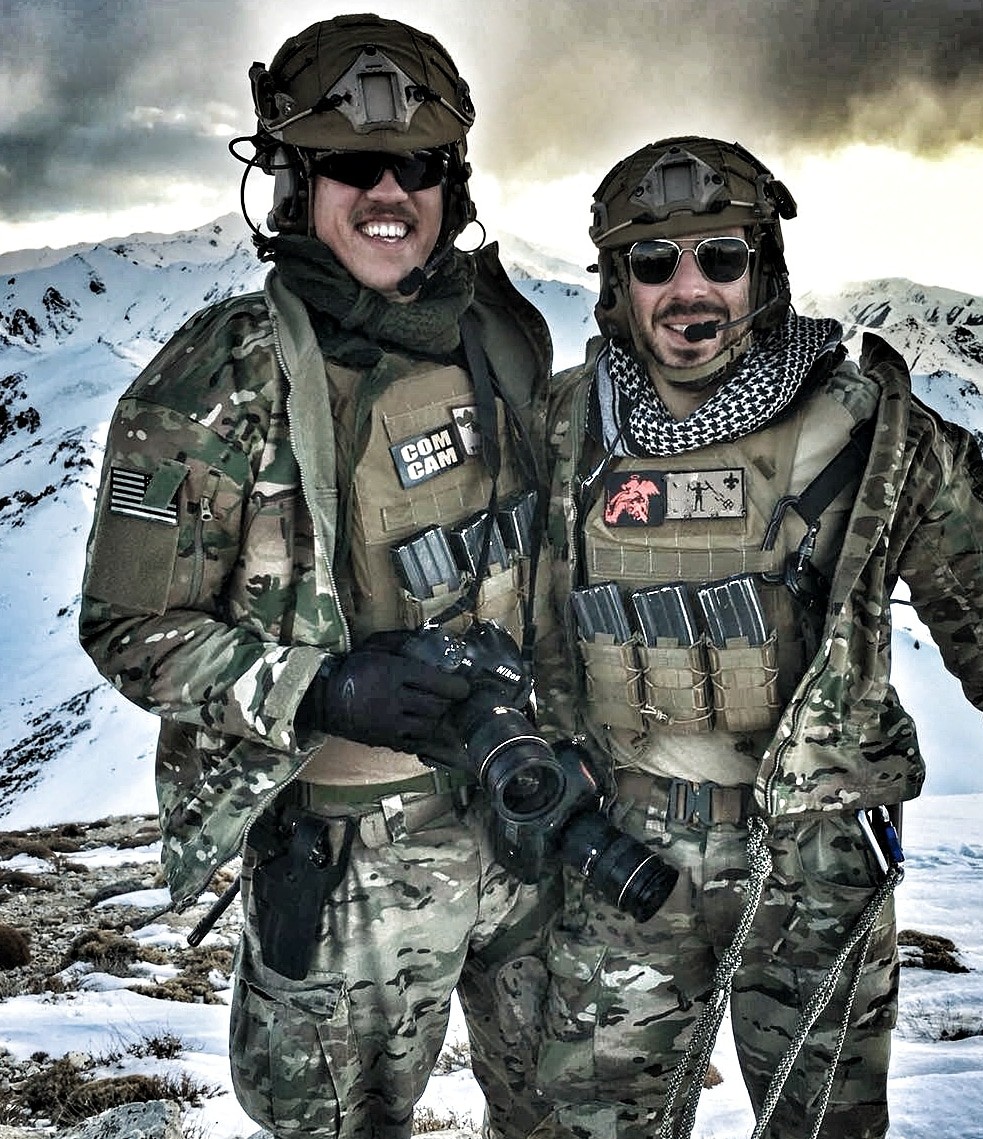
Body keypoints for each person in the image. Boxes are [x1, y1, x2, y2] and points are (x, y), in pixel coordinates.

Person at [531, 136, 983, 1139]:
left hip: (815, 854)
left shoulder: (870, 431)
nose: (688, 288)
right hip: (619, 846)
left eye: (720, 256)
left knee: (824, 1122)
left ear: (766, 267)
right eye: (653, 262)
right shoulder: (564, 427)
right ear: (616, 284)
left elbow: (982, 609)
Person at [79, 15, 555, 1139]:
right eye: (349, 164)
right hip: (348, 851)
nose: (388, 192)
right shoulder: (218, 375)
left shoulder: (500, 337)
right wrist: (319, 689)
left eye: (420, 167)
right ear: (292, 181)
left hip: (524, 817)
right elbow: (130, 625)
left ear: (455, 183)